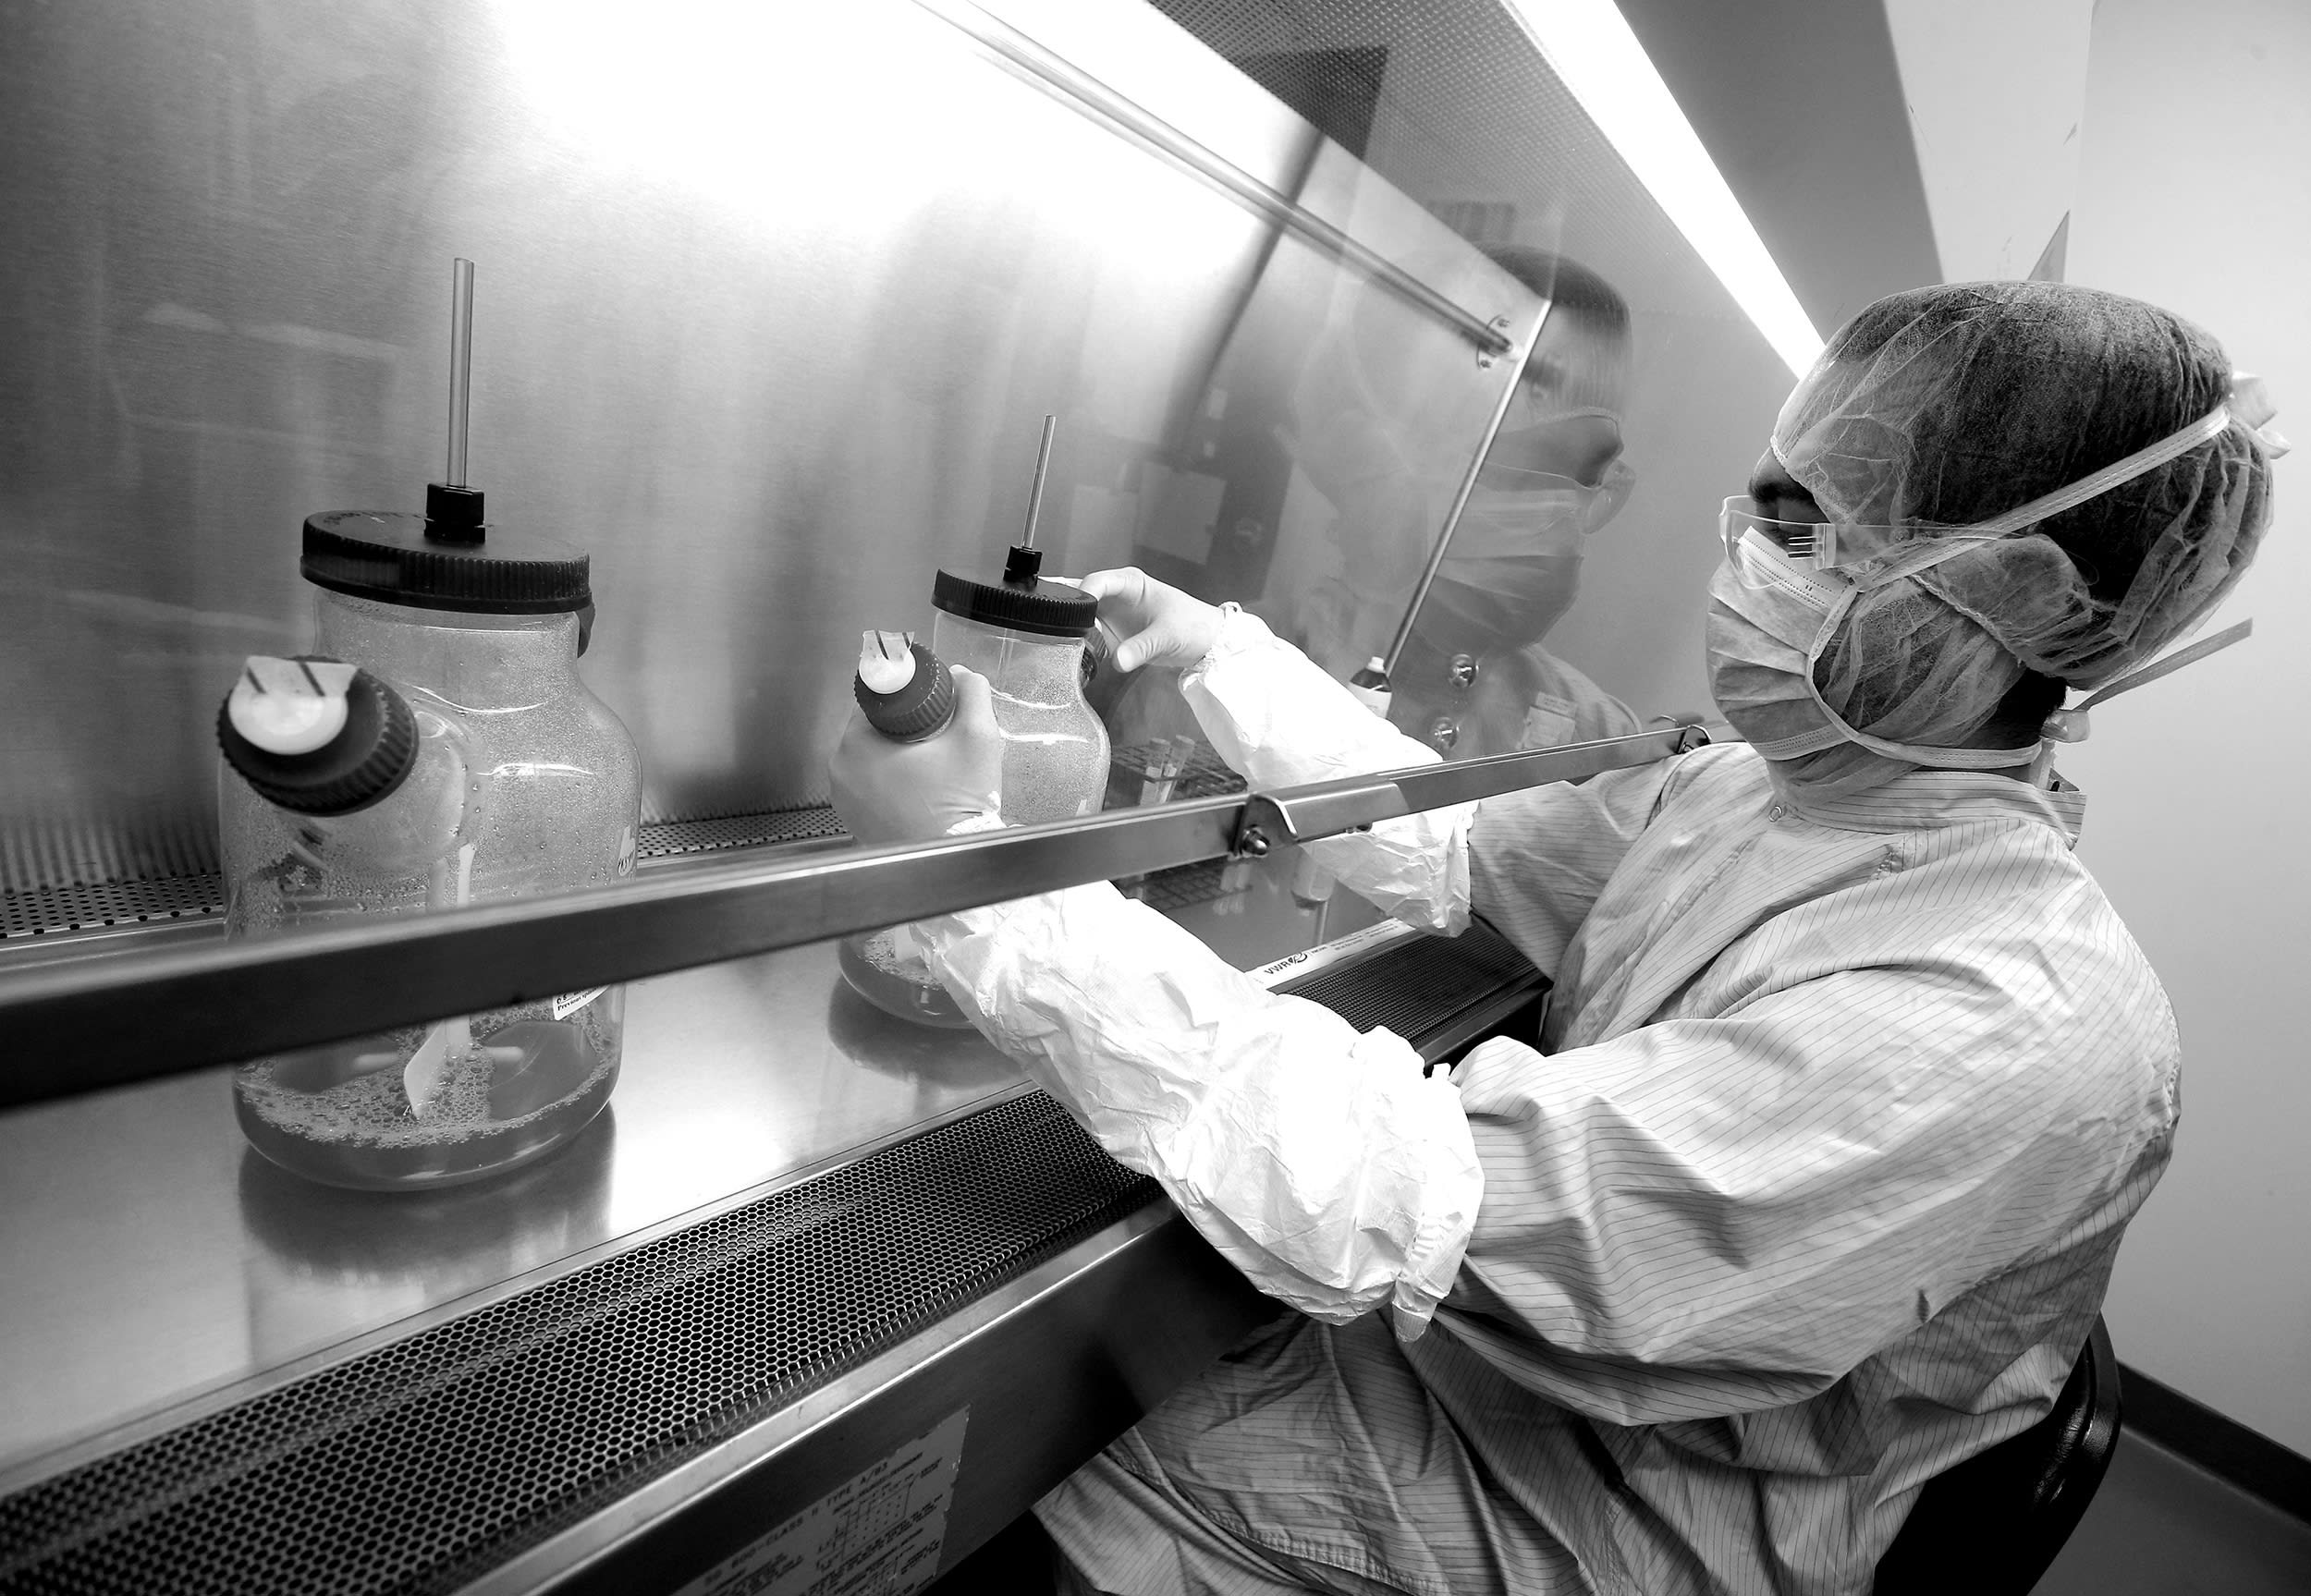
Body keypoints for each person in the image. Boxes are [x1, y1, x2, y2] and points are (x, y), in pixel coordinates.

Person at [828, 281, 2282, 1595]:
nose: (1750, 558)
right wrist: (1221, 657)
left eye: (1811, 528)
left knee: (962, 1507)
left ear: (2010, 596)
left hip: (1592, 1532)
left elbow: (1392, 1192)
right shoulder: (1778, 801)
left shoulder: (2005, 1017)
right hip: (1454, 1397)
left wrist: (977, 882)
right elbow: (1459, 839)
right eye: (1764, 507)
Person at [1277, 248, 1645, 756]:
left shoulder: (1595, 740)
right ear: (1373, 462)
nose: (1560, 519)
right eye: (1522, 467)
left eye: (1586, 478)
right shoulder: (1234, 684)